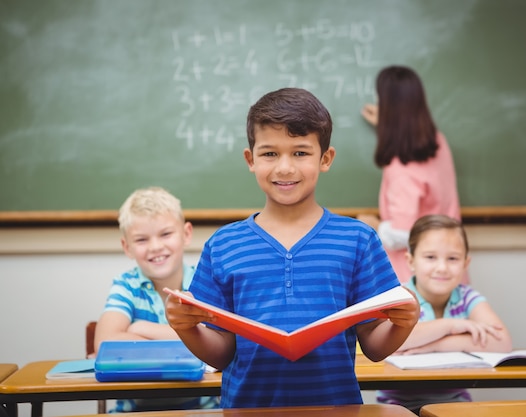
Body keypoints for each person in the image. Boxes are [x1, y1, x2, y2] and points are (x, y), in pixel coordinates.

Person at [165, 87, 419, 408]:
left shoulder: (358, 240)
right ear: (251, 159)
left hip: (337, 411)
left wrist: (405, 322)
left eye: (300, 153)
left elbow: (374, 347)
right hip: (248, 412)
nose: (285, 168)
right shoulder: (223, 245)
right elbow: (221, 355)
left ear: (325, 159)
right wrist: (185, 328)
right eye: (270, 153)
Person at [94, 186, 219, 412]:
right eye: (141, 239)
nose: (155, 247)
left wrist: (141, 328)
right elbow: (105, 342)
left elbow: (217, 344)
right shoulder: (127, 285)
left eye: (165, 234)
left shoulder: (203, 283)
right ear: (127, 247)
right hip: (134, 412)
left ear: (186, 234)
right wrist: (189, 341)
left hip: (203, 410)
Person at [377, 214, 512, 415]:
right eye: (430, 257)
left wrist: (434, 345)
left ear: (466, 264)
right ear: (411, 261)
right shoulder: (399, 297)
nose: (442, 268)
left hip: (455, 404)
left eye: (453, 258)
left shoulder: (467, 297)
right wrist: (449, 326)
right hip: (396, 405)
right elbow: (392, 343)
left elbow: (502, 343)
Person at [358, 65, 461, 284]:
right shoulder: (438, 141)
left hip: (415, 281)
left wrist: (376, 226)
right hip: (447, 271)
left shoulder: (401, 169)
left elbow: (404, 234)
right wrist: (386, 124)